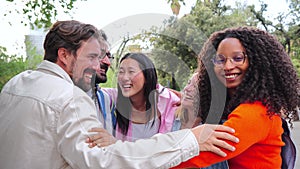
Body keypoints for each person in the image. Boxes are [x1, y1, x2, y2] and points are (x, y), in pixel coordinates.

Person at [0, 20, 239, 169]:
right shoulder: (71, 98)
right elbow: (105, 161)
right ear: (64, 55)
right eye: (92, 57)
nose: (99, 66)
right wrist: (191, 140)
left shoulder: (16, 84)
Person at [173, 26, 299, 169]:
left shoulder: (255, 112)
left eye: (238, 58)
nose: (227, 66)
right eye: (219, 60)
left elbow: (195, 158)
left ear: (257, 62)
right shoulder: (233, 105)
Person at [102, 52, 181, 141]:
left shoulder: (166, 100)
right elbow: (91, 92)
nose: (124, 78)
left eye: (131, 72)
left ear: (147, 76)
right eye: (121, 72)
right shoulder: (113, 97)